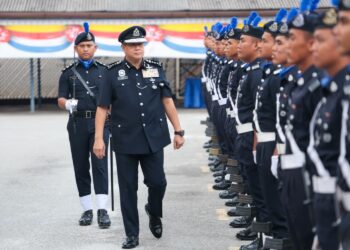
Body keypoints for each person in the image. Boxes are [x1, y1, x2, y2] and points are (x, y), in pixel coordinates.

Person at [93, 26, 185, 249]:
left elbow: (167, 100)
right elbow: (103, 107)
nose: (138, 48)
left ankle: (154, 212)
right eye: (133, 44)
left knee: (158, 183)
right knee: (128, 189)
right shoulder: (112, 73)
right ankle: (132, 234)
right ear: (123, 47)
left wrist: (178, 130)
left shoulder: (155, 69)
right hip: (125, 140)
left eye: (141, 44)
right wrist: (99, 138)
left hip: (154, 137)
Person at [57, 23, 111, 228]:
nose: (86, 49)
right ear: (76, 48)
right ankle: (87, 209)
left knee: (100, 166)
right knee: (81, 166)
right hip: (77, 124)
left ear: (95, 48)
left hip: (100, 125)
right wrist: (66, 103)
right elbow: (60, 98)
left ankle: (103, 210)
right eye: (82, 46)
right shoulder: (68, 73)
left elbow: (113, 100)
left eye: (89, 45)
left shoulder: (105, 72)